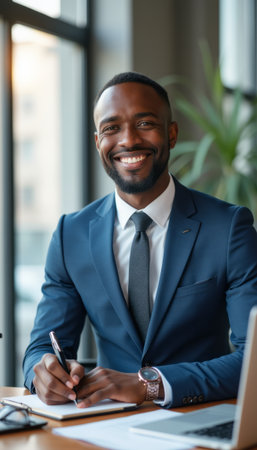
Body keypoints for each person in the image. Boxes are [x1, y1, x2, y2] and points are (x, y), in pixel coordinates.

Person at [23, 71, 257, 409]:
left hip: (201, 419)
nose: (128, 140)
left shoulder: (229, 227)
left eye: (145, 123)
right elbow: (41, 347)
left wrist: (151, 386)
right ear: (97, 142)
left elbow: (253, 357)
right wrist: (41, 373)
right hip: (103, 425)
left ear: (171, 133)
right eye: (111, 128)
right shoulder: (70, 234)